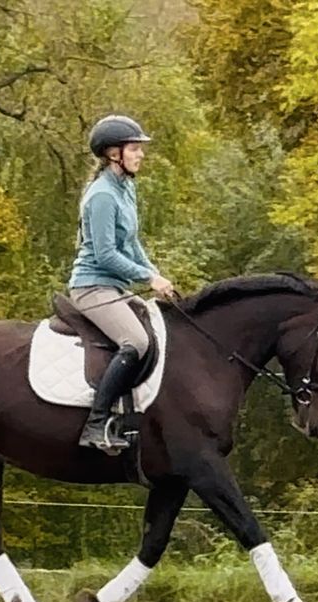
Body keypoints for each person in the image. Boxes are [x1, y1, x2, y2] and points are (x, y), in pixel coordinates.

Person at [68, 114, 176, 452]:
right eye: (134, 148)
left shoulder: (125, 188)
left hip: (114, 287)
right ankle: (96, 424)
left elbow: (132, 244)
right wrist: (148, 278)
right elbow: (105, 255)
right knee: (137, 342)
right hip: (91, 287)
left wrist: (156, 273)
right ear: (114, 154)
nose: (141, 154)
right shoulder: (102, 196)